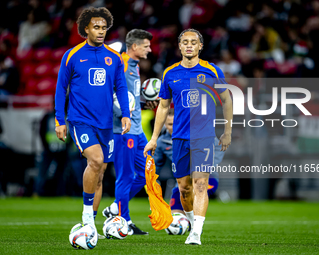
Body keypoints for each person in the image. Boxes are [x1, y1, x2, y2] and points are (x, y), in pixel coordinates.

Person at [144, 28, 233, 245]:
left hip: (204, 137)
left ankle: (196, 234)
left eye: (194, 42)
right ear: (180, 46)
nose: (189, 45)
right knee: (184, 188)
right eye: (185, 42)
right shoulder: (169, 74)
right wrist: (154, 137)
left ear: (200, 46)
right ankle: (192, 223)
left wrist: (227, 132)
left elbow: (227, 99)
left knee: (200, 184)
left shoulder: (212, 71)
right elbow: (163, 107)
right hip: (180, 138)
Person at [54, 7, 131, 236]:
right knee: (95, 161)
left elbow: (122, 87)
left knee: (100, 173)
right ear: (85, 28)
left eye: (104, 28)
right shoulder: (72, 55)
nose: (101, 31)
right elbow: (61, 89)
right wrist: (60, 120)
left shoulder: (114, 58)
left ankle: (91, 225)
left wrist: (126, 113)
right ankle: (86, 219)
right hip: (80, 120)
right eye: (96, 27)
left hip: (106, 123)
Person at [102, 29, 154, 235]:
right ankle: (124, 220)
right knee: (125, 176)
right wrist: (122, 113)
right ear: (134, 47)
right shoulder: (120, 64)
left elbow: (128, 96)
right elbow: (108, 95)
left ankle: (116, 207)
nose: (150, 49)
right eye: (146, 46)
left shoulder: (134, 66)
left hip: (138, 131)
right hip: (124, 131)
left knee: (145, 174)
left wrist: (142, 102)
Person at [153, 109, 221, 218]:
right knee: (175, 217)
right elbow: (155, 165)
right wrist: (151, 185)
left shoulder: (197, 134)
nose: (174, 127)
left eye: (176, 123)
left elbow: (218, 146)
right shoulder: (162, 141)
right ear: (165, 125)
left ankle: (196, 227)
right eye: (170, 124)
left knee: (195, 192)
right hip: (182, 182)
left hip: (207, 178)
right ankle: (185, 224)